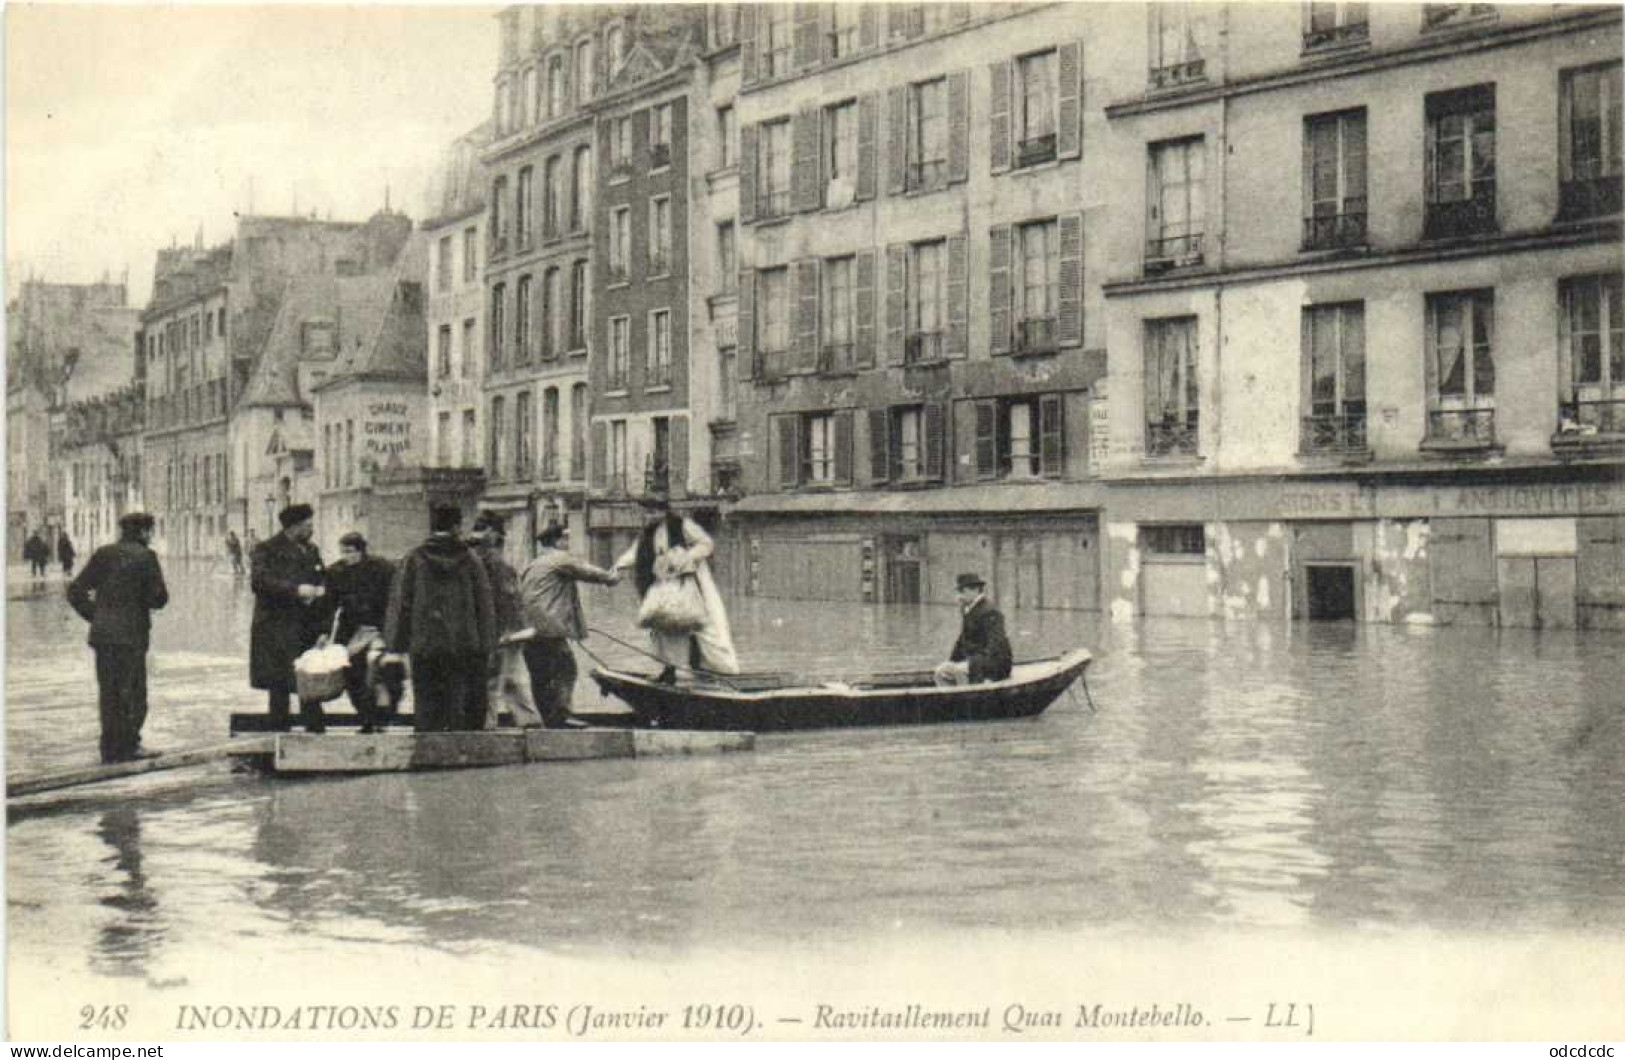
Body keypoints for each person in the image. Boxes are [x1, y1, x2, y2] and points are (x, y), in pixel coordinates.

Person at [66, 512, 169, 763]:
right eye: (150, 531)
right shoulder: (146, 557)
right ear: (143, 532)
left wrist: (96, 615)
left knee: (109, 692)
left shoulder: (103, 554)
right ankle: (130, 746)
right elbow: (159, 598)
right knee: (134, 693)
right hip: (131, 636)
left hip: (103, 636)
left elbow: (75, 590)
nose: (151, 536)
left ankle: (109, 748)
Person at [383, 504, 495, 732]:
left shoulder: (414, 558)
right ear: (456, 527)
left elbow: (401, 602)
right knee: (457, 698)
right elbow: (483, 602)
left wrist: (396, 644)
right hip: (462, 642)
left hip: (424, 642)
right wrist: (487, 642)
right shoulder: (471, 559)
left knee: (425, 698)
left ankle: (426, 748)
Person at [615, 494, 739, 681]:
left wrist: (686, 557)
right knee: (665, 625)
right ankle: (670, 669)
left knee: (706, 626)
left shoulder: (682, 525)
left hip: (691, 583)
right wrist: (617, 567)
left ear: (664, 511)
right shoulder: (647, 532)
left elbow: (706, 543)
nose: (649, 515)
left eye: (653, 510)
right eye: (647, 511)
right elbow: (634, 553)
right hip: (664, 586)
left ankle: (717, 670)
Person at [518, 522, 620, 728]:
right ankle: (562, 717)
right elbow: (589, 572)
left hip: (529, 630)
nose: (568, 543)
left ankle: (550, 720)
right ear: (557, 541)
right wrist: (611, 577)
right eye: (566, 539)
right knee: (567, 668)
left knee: (540, 676)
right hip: (549, 629)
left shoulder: (533, 564)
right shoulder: (559, 558)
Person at [249, 503, 332, 732]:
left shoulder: (312, 550)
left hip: (306, 627)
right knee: (279, 687)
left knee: (310, 680)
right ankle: (280, 735)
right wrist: (297, 590)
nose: (311, 528)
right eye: (307, 525)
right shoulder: (266, 549)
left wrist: (322, 594)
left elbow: (322, 580)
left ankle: (316, 734)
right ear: (293, 527)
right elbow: (259, 582)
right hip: (276, 628)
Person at [469, 512, 541, 728]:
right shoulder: (499, 566)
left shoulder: (476, 562)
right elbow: (510, 599)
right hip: (507, 634)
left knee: (495, 685)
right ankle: (531, 728)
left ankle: (488, 730)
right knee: (511, 682)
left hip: (490, 635)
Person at [325, 531, 396, 733]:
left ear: (361, 551)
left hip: (379, 628)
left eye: (350, 551)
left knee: (380, 675)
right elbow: (329, 605)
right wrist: (325, 632)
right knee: (351, 675)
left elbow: (393, 599)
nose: (346, 556)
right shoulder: (336, 572)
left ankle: (380, 719)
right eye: (343, 552)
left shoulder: (382, 568)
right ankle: (366, 717)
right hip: (351, 630)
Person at [933, 572, 1013, 687]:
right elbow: (962, 640)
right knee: (940, 672)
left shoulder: (990, 611)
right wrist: (952, 661)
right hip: (976, 660)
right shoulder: (968, 609)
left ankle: (965, 697)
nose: (959, 596)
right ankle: (951, 699)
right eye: (958, 592)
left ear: (974, 590)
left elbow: (995, 645)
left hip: (996, 664)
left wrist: (973, 665)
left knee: (957, 671)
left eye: (962, 591)